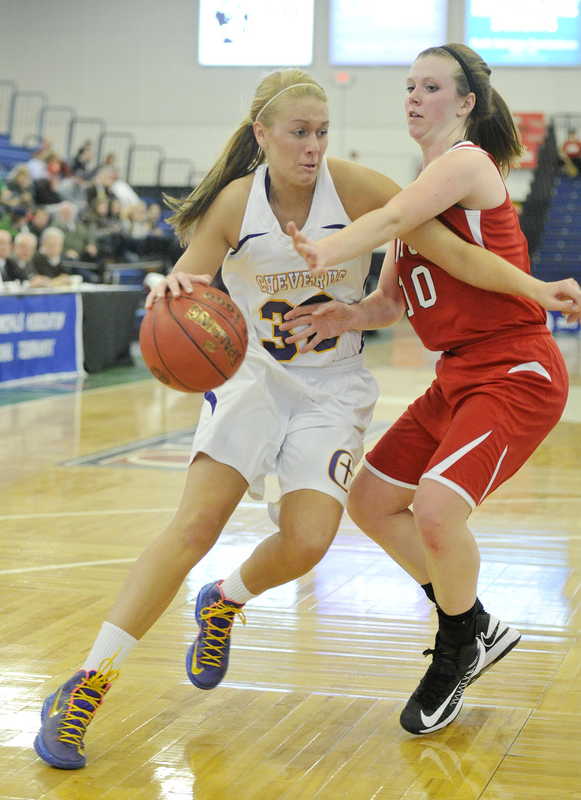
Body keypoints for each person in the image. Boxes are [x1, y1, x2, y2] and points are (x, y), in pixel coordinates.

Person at [33, 67, 580, 771]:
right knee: (194, 525)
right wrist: (168, 288)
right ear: (262, 134)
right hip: (253, 380)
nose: (313, 146)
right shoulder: (236, 203)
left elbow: (459, 256)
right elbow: (188, 279)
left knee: (311, 540)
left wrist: (536, 288)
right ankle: (87, 684)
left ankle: (223, 601)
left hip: (332, 390)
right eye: (299, 132)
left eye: (323, 132)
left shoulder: (362, 191)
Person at [285, 44, 581, 736]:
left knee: (439, 509)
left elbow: (388, 221)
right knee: (370, 500)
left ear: (467, 103)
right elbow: (393, 303)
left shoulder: (467, 165)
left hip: (514, 370)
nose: (414, 97)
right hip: (456, 375)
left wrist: (326, 249)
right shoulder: (425, 182)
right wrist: (345, 313)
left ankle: (455, 649)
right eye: (409, 86)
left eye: (431, 87)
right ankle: (473, 622)